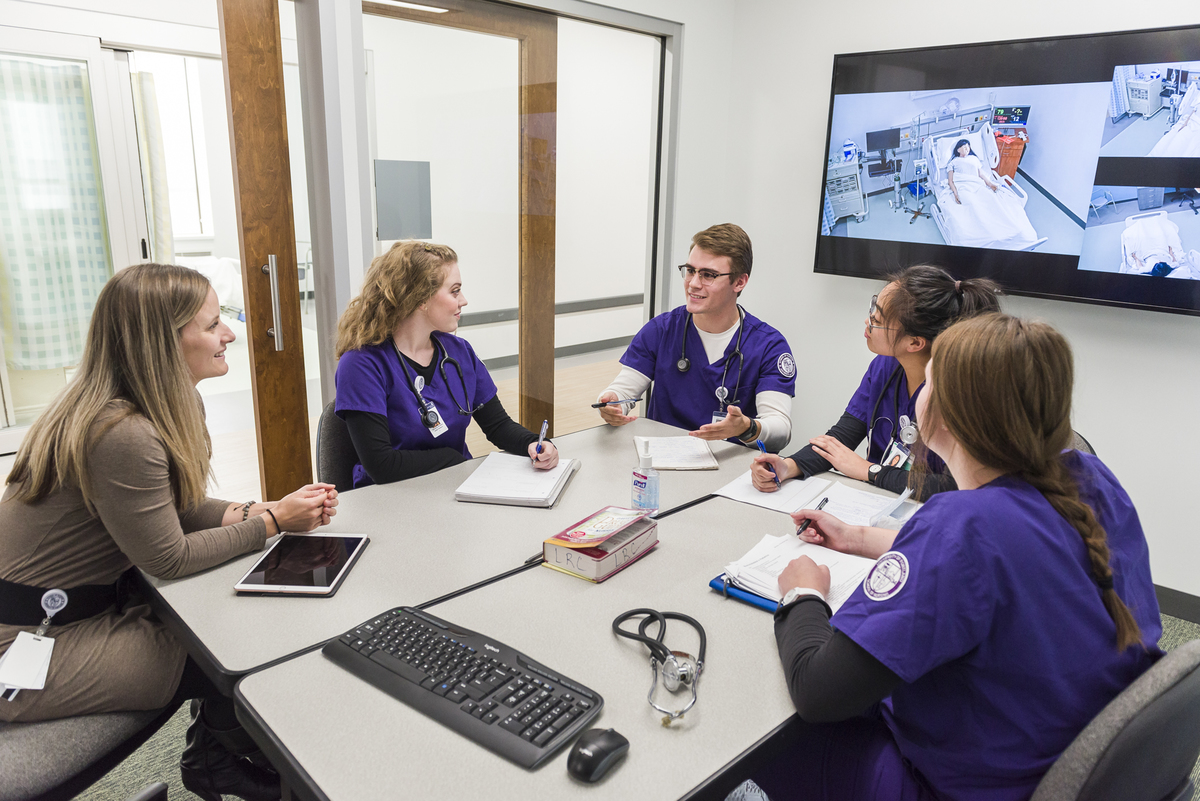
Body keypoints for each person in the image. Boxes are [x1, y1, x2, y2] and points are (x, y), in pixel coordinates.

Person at [755, 313, 1161, 801]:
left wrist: (803, 593)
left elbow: (819, 691)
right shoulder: (1090, 478)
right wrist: (861, 538)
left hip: (967, 786)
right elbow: (1015, 558)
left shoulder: (959, 527)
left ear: (945, 414)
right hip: (1070, 752)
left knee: (767, 737)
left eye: (927, 382)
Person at [0, 263, 338, 800]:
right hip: (30, 638)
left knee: (238, 610)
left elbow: (176, 509)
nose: (229, 333)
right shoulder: (121, 432)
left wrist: (260, 509)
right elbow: (170, 558)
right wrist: (273, 523)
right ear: (163, 342)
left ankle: (217, 753)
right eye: (211, 324)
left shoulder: (164, 405)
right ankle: (229, 757)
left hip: (84, 607)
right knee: (234, 644)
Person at [751, 265, 999, 500]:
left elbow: (954, 486)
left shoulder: (962, 393)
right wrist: (788, 466)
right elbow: (841, 439)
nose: (867, 322)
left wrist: (869, 471)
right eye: (872, 308)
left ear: (914, 342)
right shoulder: (885, 366)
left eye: (878, 320)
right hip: (878, 502)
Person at [335, 241, 559, 488]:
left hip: (454, 485)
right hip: (390, 498)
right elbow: (382, 465)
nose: (463, 300)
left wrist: (534, 444)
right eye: (454, 291)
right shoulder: (361, 364)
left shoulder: (458, 352)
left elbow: (498, 426)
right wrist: (454, 460)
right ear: (420, 298)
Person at [597, 224, 795, 451]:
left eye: (708, 275)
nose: (693, 283)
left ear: (739, 282)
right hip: (665, 462)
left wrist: (745, 427)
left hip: (733, 471)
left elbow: (780, 430)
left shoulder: (768, 346)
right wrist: (612, 403)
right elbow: (621, 393)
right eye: (690, 270)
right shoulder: (661, 330)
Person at [947, 138, 999, 205]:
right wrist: (955, 194)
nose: (967, 148)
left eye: (968, 146)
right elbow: (950, 181)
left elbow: (981, 175)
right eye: (965, 147)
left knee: (989, 199)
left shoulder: (974, 159)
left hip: (976, 184)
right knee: (970, 202)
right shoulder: (953, 162)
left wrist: (991, 184)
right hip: (963, 186)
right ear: (958, 150)